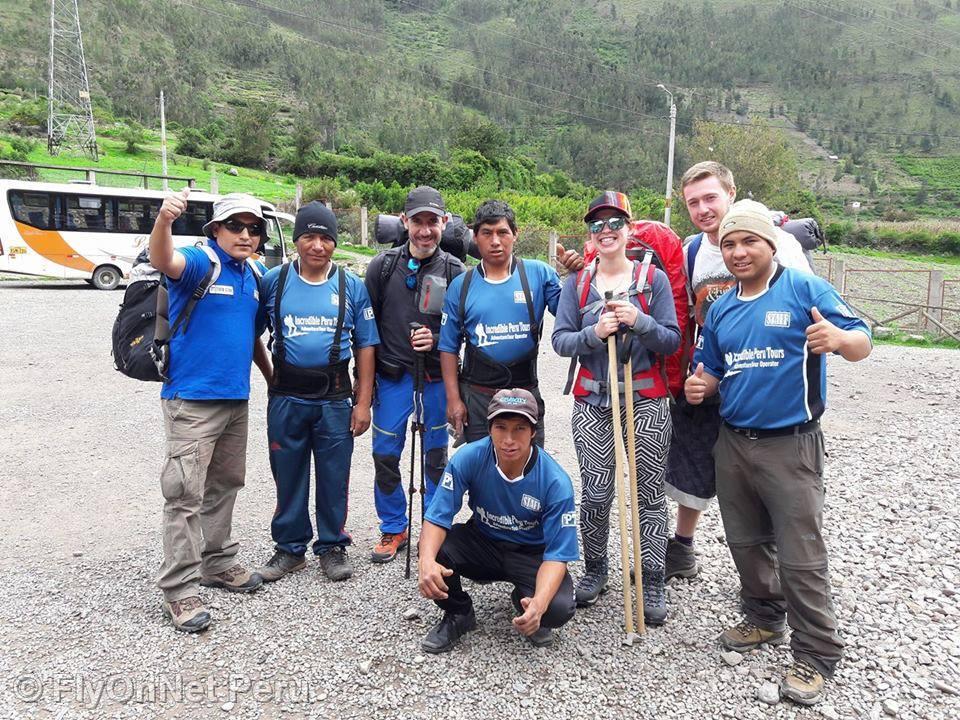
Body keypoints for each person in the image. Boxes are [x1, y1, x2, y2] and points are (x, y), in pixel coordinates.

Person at [685, 200, 871, 706]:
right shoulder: (721, 308)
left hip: (791, 443)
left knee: (800, 555)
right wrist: (702, 386)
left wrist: (839, 338)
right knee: (746, 541)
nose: (739, 252)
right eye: (729, 244)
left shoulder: (803, 288)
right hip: (733, 441)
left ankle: (816, 653)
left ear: (770, 244)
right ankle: (765, 617)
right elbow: (712, 368)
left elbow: (862, 341)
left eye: (749, 241)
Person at [665, 162, 813, 582]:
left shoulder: (778, 243)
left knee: (763, 472)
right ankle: (683, 546)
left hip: (763, 375)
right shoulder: (692, 250)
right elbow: (687, 313)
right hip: (708, 370)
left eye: (710, 197)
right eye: (693, 202)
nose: (703, 209)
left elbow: (807, 304)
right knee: (693, 460)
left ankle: (776, 568)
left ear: (731, 193)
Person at [552, 192, 680, 623]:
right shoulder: (578, 283)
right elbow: (560, 340)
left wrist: (639, 322)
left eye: (614, 223)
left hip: (645, 399)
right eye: (596, 225)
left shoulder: (653, 279)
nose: (605, 231)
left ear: (629, 229)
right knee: (596, 491)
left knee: (648, 492)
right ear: (589, 234)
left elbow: (671, 340)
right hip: (594, 401)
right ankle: (595, 569)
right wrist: (595, 332)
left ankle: (652, 577)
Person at [148, 190, 268, 633]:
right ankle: (179, 589)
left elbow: (251, 338)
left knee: (225, 484)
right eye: (235, 225)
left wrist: (272, 379)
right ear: (215, 229)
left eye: (253, 228)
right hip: (192, 400)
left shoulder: (253, 275)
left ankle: (217, 562)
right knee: (184, 494)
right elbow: (163, 259)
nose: (245, 234)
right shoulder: (202, 261)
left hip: (236, 399)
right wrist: (164, 220)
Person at [255, 202, 379, 583]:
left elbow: (366, 346)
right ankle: (290, 548)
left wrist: (363, 403)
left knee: (334, 475)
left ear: (334, 243)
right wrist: (270, 376)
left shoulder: (351, 286)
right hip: (286, 397)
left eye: (326, 238)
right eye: (309, 236)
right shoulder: (273, 281)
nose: (317, 246)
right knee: (287, 473)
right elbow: (251, 335)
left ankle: (332, 545)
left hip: (335, 399)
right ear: (296, 240)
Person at [418, 389, 578, 652]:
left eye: (520, 429)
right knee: (433, 550)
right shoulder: (469, 457)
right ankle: (459, 613)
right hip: (484, 542)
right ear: (489, 428)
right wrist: (426, 561)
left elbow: (558, 555)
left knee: (557, 609)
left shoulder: (555, 482)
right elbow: (437, 517)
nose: (509, 439)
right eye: (501, 427)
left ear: (533, 432)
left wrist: (539, 603)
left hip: (531, 553)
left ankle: (525, 599)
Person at [364, 187, 465, 563]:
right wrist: (363, 386)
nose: (425, 230)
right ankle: (394, 527)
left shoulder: (455, 271)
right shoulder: (382, 267)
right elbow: (366, 329)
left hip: (436, 378)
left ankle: (433, 529)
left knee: (436, 457)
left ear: (444, 222)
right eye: (417, 221)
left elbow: (465, 330)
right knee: (385, 456)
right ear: (404, 222)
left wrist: (436, 339)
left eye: (432, 222)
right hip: (392, 378)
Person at [439, 199, 561, 446]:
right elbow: (448, 347)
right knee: (481, 466)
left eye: (502, 232)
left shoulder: (539, 275)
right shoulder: (461, 286)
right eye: (487, 233)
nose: (495, 241)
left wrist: (581, 276)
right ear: (475, 237)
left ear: (515, 234)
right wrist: (453, 400)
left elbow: (571, 316)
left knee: (528, 466)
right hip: (478, 398)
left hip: (526, 396)